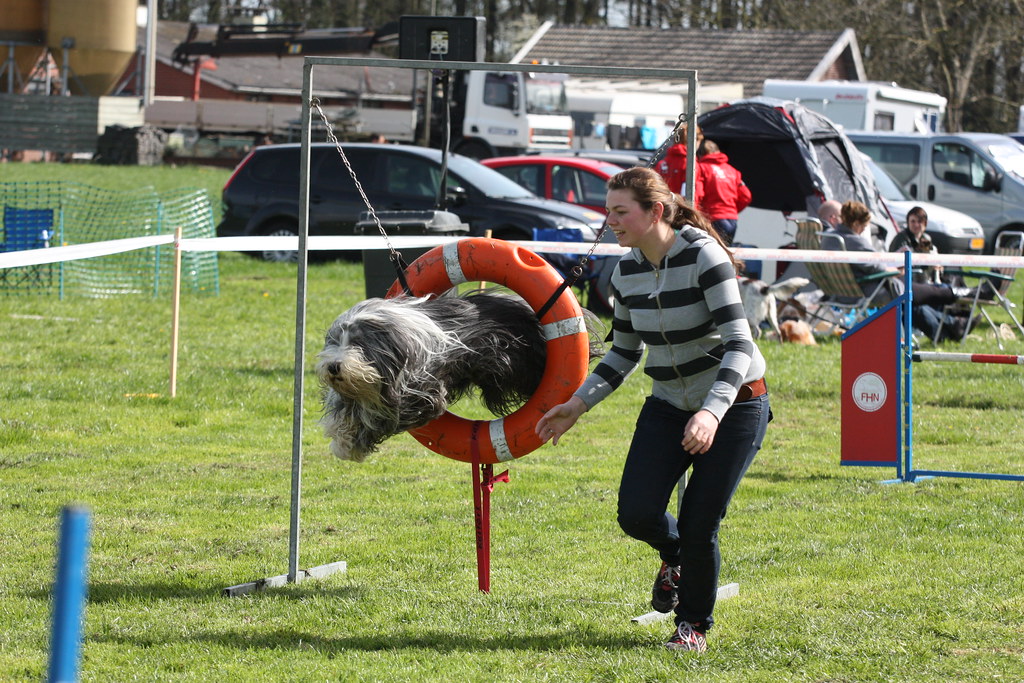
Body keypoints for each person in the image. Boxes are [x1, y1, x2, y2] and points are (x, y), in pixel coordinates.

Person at [535, 167, 770, 653]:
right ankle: (676, 558)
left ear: (655, 211)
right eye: (608, 212)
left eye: (620, 213)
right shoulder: (625, 272)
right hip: (667, 404)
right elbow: (623, 353)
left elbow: (739, 344)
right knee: (636, 513)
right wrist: (577, 405)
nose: (610, 223)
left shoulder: (705, 257)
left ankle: (692, 628)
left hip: (736, 404)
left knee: (701, 520)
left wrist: (710, 413)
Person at [825, 201, 963, 340]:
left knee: (912, 300)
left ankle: (951, 326)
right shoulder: (855, 241)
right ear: (855, 224)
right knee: (913, 294)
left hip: (842, 290)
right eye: (864, 226)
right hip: (869, 290)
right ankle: (958, 297)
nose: (863, 230)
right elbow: (875, 265)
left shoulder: (829, 237)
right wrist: (894, 269)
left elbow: (871, 264)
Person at [694, 139, 752, 244]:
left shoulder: (701, 168)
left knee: (713, 255)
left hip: (714, 219)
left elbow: (698, 194)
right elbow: (746, 196)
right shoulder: (732, 170)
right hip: (732, 220)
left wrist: (695, 216)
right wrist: (731, 210)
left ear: (701, 154)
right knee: (726, 254)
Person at [655, 124, 703, 195]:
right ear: (695, 141)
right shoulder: (691, 164)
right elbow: (689, 195)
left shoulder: (663, 162)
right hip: (680, 204)